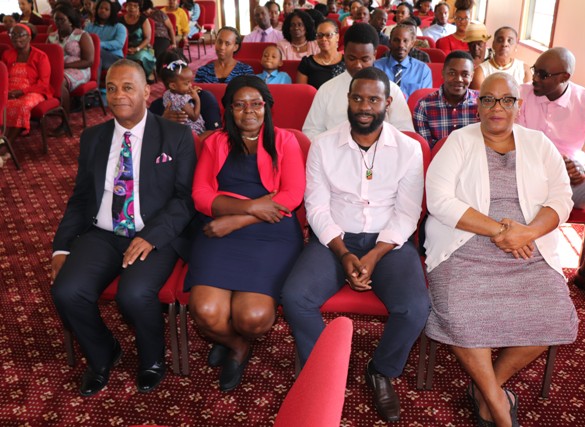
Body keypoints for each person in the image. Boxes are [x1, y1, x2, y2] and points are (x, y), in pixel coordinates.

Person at [424, 72, 578, 427]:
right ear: (477, 106)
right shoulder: (458, 142)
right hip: (464, 244)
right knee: (461, 313)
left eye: (506, 99)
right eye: (489, 99)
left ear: (518, 106)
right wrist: (500, 231)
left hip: (529, 248)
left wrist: (528, 233)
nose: (498, 107)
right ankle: (496, 403)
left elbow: (562, 198)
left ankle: (484, 389)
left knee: (554, 315)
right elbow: (440, 201)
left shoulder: (539, 144)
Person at [282, 67, 429, 423]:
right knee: (294, 297)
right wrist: (343, 252)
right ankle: (326, 368)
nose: (365, 106)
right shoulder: (323, 145)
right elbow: (315, 206)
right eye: (358, 98)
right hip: (334, 238)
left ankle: (381, 369)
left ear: (388, 103)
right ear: (348, 100)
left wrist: (376, 254)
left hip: (388, 242)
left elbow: (409, 213)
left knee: (414, 308)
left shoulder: (409, 149)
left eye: (373, 99)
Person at [50, 59, 196, 397]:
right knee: (67, 291)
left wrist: (151, 236)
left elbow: (185, 200)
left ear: (147, 92)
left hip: (153, 233)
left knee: (134, 293)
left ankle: (151, 360)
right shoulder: (93, 138)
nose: (118, 96)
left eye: (127, 87)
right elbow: (80, 197)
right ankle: (102, 355)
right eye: (111, 88)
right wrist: (61, 247)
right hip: (102, 232)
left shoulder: (176, 136)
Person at [187, 75, 305, 392]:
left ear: (267, 107)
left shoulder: (286, 141)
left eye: (256, 104)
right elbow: (200, 195)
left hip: (271, 231)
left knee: (253, 317)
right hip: (222, 227)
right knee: (206, 313)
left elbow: (292, 196)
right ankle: (236, 345)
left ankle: (236, 337)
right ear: (229, 109)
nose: (248, 111)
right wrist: (253, 208)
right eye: (239, 104)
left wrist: (236, 220)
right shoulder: (214, 142)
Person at [518, 47, 585, 309]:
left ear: (564, 76)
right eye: (535, 71)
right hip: (523, 175)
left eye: (543, 74)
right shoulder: (522, 95)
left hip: (567, 180)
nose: (535, 79)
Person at [303, 23, 414, 139]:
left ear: (374, 55)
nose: (358, 65)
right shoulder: (327, 90)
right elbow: (311, 132)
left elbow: (405, 133)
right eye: (352, 58)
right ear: (344, 52)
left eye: (365, 59)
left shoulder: (392, 90)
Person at [0, 23, 52, 164]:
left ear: (29, 37)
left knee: (22, 105)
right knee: (4, 104)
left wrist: (21, 91)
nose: (17, 38)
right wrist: (7, 91)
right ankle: (2, 140)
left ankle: (5, 147)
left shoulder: (40, 56)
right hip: (9, 90)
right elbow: (2, 76)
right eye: (13, 35)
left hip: (33, 91)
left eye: (20, 35)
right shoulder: (7, 54)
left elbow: (43, 83)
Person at [413, 50, 478, 148]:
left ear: (472, 76)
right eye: (452, 73)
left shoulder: (482, 103)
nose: (458, 79)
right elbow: (426, 149)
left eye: (465, 75)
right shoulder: (424, 106)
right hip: (438, 160)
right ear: (443, 73)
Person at [149, 50, 221, 135]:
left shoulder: (204, 97)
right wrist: (162, 122)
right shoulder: (156, 106)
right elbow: (149, 136)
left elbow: (216, 134)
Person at [48, 3, 93, 118]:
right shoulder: (52, 36)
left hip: (79, 69)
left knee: (59, 81)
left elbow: (88, 61)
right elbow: (45, 56)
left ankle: (65, 120)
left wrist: (64, 67)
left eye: (61, 19)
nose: (58, 23)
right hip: (58, 69)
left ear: (70, 20)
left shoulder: (81, 35)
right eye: (56, 20)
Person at [375, 23, 432, 99]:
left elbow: (425, 100)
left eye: (405, 41)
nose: (401, 45)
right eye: (396, 40)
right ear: (390, 42)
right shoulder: (376, 67)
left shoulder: (423, 70)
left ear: (412, 44)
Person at [295, 19, 345, 89]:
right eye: (320, 35)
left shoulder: (347, 61)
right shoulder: (307, 63)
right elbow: (301, 93)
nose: (323, 39)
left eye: (328, 35)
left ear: (337, 37)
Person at [161, 59, 205, 135]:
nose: (190, 85)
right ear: (173, 86)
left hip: (176, 129)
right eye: (186, 83)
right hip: (193, 131)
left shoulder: (167, 94)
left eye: (190, 82)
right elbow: (194, 117)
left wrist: (189, 93)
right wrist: (197, 98)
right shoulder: (181, 100)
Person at [85, 0, 127, 72]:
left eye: (106, 9)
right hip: (93, 55)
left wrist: (98, 45)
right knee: (96, 56)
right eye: (101, 8)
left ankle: (94, 82)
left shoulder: (119, 27)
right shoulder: (89, 26)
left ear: (111, 12)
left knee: (97, 52)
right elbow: (84, 41)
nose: (103, 10)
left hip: (114, 58)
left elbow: (119, 43)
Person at [119, 0, 156, 80]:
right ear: (126, 7)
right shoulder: (120, 20)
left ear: (139, 8)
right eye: (130, 5)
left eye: (135, 6)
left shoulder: (143, 20)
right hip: (123, 48)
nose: (132, 8)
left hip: (142, 47)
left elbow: (148, 39)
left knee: (140, 57)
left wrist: (137, 49)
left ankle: (138, 78)